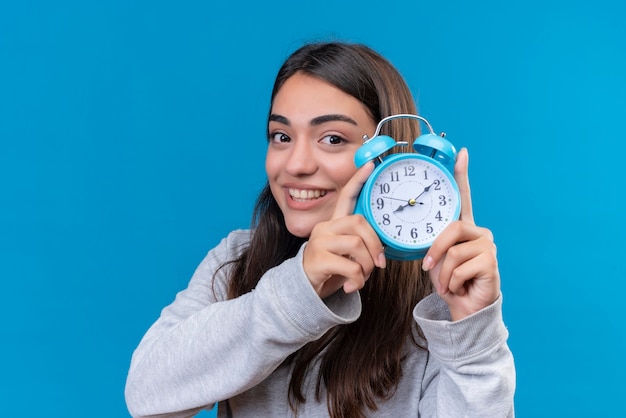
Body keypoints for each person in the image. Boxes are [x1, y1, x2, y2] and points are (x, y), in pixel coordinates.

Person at [124, 41, 516, 418]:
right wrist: (300, 288)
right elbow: (146, 394)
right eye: (281, 136)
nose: (295, 164)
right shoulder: (236, 261)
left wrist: (473, 341)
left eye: (332, 138)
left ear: (391, 158)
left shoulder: (438, 300)